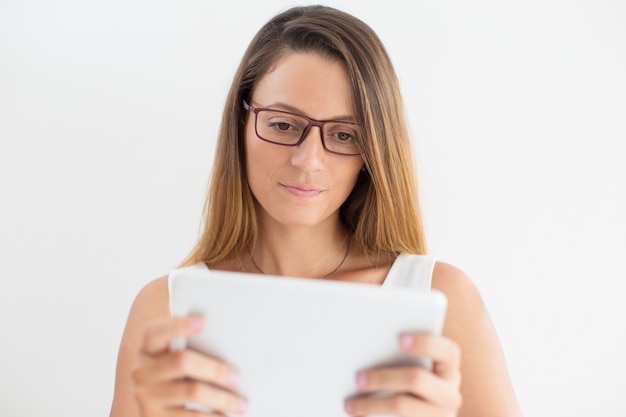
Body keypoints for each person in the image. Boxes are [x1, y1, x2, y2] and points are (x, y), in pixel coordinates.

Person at [109, 5, 522, 417]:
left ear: (373, 152)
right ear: (240, 122)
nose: (308, 161)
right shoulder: (165, 308)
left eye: (344, 134)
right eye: (283, 125)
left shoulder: (441, 299)